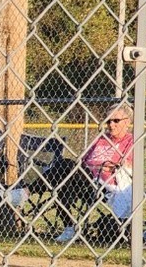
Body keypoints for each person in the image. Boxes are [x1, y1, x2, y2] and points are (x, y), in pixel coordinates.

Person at [52, 104, 135, 244]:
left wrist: (104, 166)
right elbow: (82, 160)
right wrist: (98, 166)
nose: (111, 125)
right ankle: (69, 228)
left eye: (116, 120)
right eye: (108, 121)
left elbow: (127, 166)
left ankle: (27, 192)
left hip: (105, 185)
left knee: (64, 169)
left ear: (128, 122)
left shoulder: (131, 140)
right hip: (85, 179)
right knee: (64, 175)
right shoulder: (101, 138)